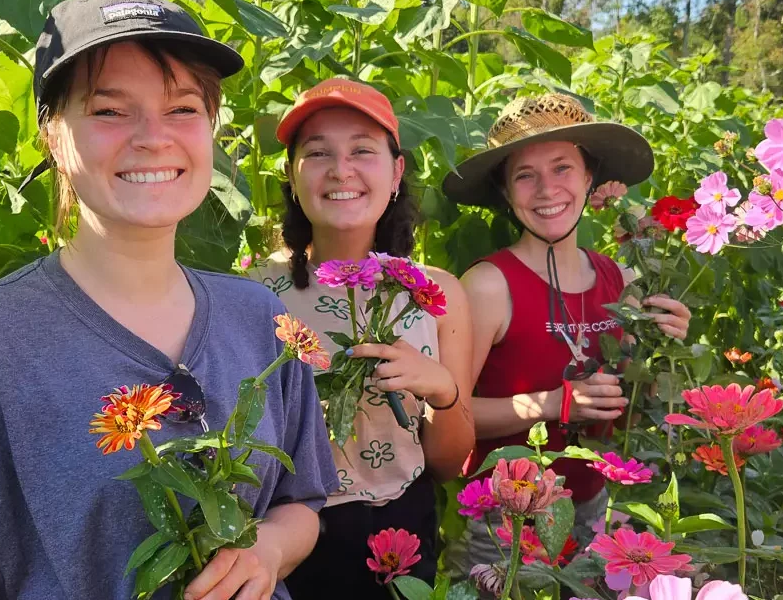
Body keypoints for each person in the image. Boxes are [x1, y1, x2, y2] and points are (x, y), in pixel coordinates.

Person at [0, 0, 337, 600]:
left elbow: (302, 504)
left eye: (183, 109)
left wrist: (267, 549)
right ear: (52, 137)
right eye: (110, 111)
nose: (152, 137)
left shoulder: (259, 318)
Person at [441, 93, 691, 575]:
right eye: (525, 175)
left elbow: (632, 395)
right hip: (510, 521)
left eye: (562, 169)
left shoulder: (619, 280)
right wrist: (555, 403)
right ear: (505, 192)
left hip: (598, 507)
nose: (546, 189)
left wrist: (664, 346)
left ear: (590, 178)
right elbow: (452, 422)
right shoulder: (490, 285)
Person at [248, 78, 474, 598]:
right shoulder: (254, 293)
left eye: (362, 151)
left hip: (400, 528)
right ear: (292, 174)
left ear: (396, 172)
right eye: (318, 152)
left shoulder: (438, 293)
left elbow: (448, 463)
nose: (340, 169)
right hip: (284, 535)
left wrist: (441, 390)